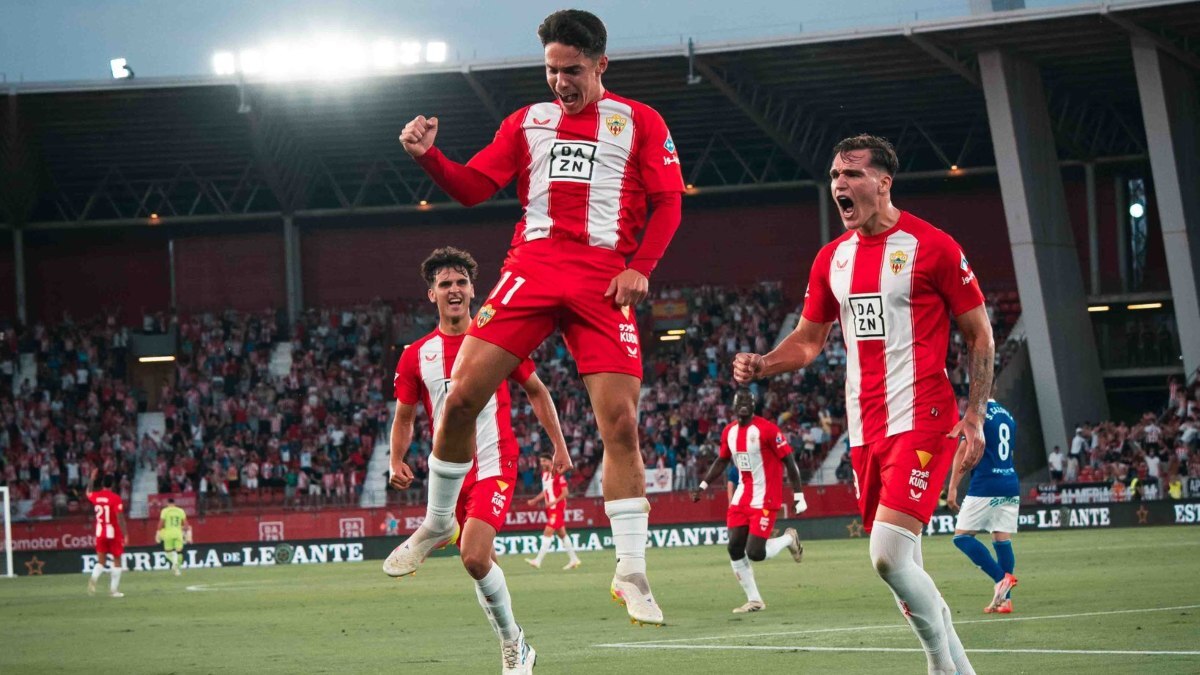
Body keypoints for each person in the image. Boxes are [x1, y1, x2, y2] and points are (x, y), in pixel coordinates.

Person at [393, 9, 684, 627]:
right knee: (462, 395)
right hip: (532, 269)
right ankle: (439, 519)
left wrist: (643, 266)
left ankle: (631, 571)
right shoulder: (527, 122)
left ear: (601, 64)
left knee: (622, 424)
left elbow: (667, 203)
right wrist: (430, 158)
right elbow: (475, 188)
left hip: (603, 281)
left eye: (571, 70)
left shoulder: (639, 122)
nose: (559, 81)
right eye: (551, 69)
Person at [733, 134, 993, 675]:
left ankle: (940, 667)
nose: (839, 185)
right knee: (905, 565)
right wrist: (764, 363)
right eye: (834, 176)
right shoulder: (832, 259)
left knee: (886, 556)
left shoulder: (934, 246)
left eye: (850, 174)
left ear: (883, 182)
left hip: (925, 419)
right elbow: (807, 341)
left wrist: (974, 416)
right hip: (864, 430)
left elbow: (980, 336)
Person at [384, 247, 571, 674]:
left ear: (473, 291)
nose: (454, 290)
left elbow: (537, 391)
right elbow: (405, 416)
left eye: (461, 282)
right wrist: (396, 459)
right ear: (431, 294)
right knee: (482, 565)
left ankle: (513, 646)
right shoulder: (416, 354)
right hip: (452, 474)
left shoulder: (497, 343)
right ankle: (516, 643)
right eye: (445, 284)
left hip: (495, 463)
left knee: (472, 556)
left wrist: (558, 446)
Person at [691, 389, 804, 613]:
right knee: (734, 548)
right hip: (742, 497)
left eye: (748, 400)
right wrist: (703, 485)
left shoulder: (768, 430)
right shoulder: (729, 432)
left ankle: (788, 539)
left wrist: (799, 495)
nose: (743, 404)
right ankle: (755, 600)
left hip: (765, 498)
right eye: (739, 401)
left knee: (755, 553)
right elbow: (722, 461)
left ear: (754, 406)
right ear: (733, 407)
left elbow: (790, 462)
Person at [947, 399, 1019, 613]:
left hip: (985, 484)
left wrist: (952, 488)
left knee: (962, 537)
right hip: (1009, 482)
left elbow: (963, 451)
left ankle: (1001, 579)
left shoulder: (976, 414)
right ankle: (1004, 601)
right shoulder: (1008, 415)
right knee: (1001, 540)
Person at [524, 454, 583, 570]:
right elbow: (545, 491)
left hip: (557, 508)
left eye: (544, 461)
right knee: (562, 534)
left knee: (548, 532)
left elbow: (565, 492)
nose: (542, 463)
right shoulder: (544, 475)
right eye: (541, 461)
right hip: (550, 508)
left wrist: (553, 502)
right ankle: (574, 559)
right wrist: (535, 500)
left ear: (551, 462)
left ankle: (538, 560)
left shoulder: (557, 475)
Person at [86, 470, 127, 598]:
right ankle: (113, 591)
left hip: (100, 532)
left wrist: (92, 479)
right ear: (113, 485)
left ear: (102, 484)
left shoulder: (96, 496)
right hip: (113, 533)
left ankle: (93, 579)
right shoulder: (115, 498)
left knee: (101, 561)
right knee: (117, 561)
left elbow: (88, 493)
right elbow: (119, 518)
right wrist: (125, 533)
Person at [157, 497, 190, 576]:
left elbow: (161, 523)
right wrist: (185, 533)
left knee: (168, 552)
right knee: (179, 552)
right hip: (178, 533)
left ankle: (174, 563)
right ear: (174, 503)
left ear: (168, 504)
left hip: (168, 533)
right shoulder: (180, 511)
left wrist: (158, 532)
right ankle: (177, 569)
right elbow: (186, 525)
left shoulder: (165, 511)